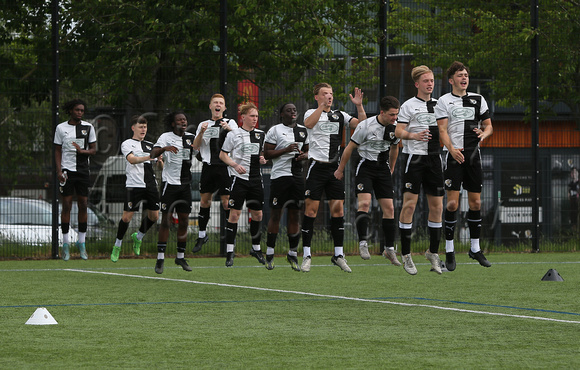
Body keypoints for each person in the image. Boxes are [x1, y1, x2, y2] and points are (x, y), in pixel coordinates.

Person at [301, 83, 367, 273]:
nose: (329, 97)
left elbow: (362, 125)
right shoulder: (310, 113)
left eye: (330, 94)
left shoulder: (340, 115)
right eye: (324, 94)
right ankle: (307, 254)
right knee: (311, 211)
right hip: (316, 167)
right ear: (317, 97)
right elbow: (308, 125)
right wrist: (321, 107)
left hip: (335, 169)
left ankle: (338, 254)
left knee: (338, 211)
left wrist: (359, 105)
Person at [435, 61, 493, 269]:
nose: (464, 78)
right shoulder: (443, 101)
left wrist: (483, 135)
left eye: (466, 75)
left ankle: (475, 249)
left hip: (473, 157)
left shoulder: (478, 99)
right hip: (453, 156)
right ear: (451, 80)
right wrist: (452, 150)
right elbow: (442, 130)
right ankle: (449, 251)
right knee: (452, 204)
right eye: (460, 75)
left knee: (476, 204)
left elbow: (488, 127)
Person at [334, 96, 401, 268]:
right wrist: (340, 169)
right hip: (365, 167)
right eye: (392, 115)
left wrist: (391, 169)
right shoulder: (366, 126)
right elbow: (349, 148)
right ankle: (363, 243)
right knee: (364, 204)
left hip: (383, 169)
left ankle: (389, 249)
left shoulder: (395, 128)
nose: (395, 118)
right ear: (382, 113)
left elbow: (394, 148)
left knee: (390, 208)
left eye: (396, 114)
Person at [395, 65, 444, 275]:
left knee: (437, 207)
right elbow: (397, 131)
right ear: (417, 84)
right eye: (426, 81)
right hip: (414, 160)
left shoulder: (440, 105)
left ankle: (432, 252)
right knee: (409, 206)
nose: (430, 84)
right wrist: (414, 136)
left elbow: (448, 129)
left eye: (432, 80)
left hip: (435, 160)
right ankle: (406, 254)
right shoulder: (408, 106)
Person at [219, 103, 267, 267]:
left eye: (256, 116)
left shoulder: (261, 135)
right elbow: (223, 154)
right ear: (243, 117)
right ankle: (230, 252)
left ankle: (256, 248)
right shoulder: (234, 134)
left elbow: (262, 154)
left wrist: (263, 158)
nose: (255, 119)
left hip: (255, 180)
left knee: (258, 215)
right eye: (252, 116)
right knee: (234, 215)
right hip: (239, 180)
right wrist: (234, 165)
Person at [263, 103, 309, 271]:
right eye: (289, 110)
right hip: (279, 177)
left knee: (295, 216)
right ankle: (269, 254)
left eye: (295, 110)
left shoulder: (303, 131)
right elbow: (266, 154)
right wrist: (285, 149)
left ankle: (292, 253)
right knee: (276, 215)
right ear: (282, 114)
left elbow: (308, 151)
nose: (293, 112)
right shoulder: (275, 130)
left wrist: (304, 156)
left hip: (297, 178)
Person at [150, 111, 197, 274]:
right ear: (173, 123)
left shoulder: (191, 137)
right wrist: (164, 148)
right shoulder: (165, 137)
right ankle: (160, 258)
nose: (183, 122)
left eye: (185, 119)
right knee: (166, 221)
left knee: (184, 221)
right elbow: (153, 153)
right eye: (179, 120)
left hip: (185, 186)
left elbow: (200, 154)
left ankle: (180, 256)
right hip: (170, 184)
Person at [111, 115, 162, 262]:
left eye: (145, 127)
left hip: (150, 185)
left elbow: (160, 166)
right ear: (133, 128)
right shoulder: (127, 144)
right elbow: (132, 160)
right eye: (140, 127)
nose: (143, 129)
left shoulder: (151, 145)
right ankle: (117, 245)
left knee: (154, 216)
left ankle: (138, 236)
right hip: (134, 185)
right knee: (126, 217)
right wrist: (148, 157)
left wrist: (159, 161)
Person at [191, 94, 238, 252]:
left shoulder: (230, 122)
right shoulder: (203, 124)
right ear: (210, 106)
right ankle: (202, 235)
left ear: (224, 108)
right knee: (205, 202)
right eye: (215, 103)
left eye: (221, 103)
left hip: (225, 167)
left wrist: (229, 129)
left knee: (226, 203)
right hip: (208, 167)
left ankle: (230, 237)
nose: (218, 105)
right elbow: (196, 147)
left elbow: (239, 140)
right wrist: (201, 133)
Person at [54, 99, 97, 261]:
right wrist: (59, 170)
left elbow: (93, 150)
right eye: (77, 110)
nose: (80, 112)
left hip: (83, 172)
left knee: (84, 204)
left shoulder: (88, 127)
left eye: (82, 110)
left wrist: (82, 151)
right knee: (66, 205)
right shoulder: (61, 128)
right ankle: (65, 245)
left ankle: (82, 243)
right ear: (71, 110)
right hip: (66, 171)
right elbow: (57, 150)